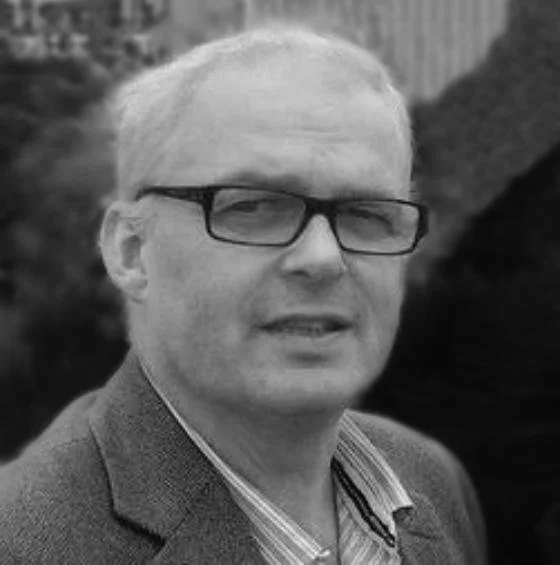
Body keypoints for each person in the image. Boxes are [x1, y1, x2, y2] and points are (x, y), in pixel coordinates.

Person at [0, 26, 486, 564]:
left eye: (367, 214)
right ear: (132, 251)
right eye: (252, 207)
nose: (323, 258)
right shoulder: (22, 543)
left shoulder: (427, 482)